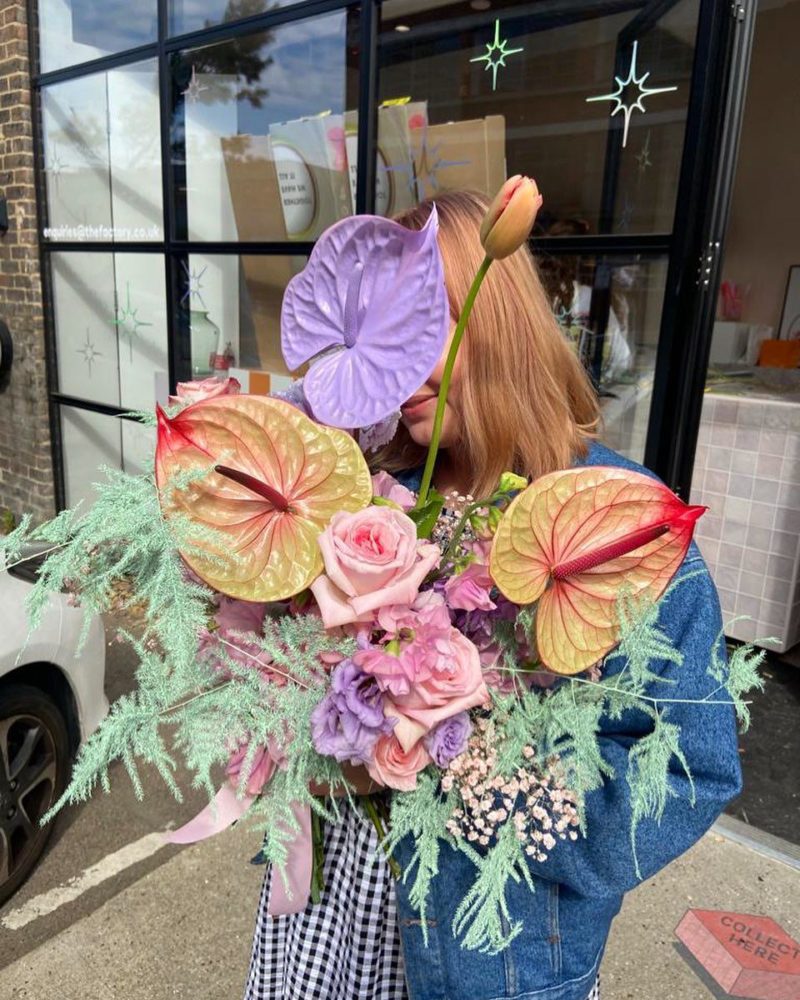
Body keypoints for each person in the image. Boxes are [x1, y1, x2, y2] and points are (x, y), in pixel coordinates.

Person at [243, 190, 742, 1000]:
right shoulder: (362, 491)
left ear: (496, 319)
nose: (397, 361)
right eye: (378, 331)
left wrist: (469, 784)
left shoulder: (610, 529)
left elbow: (691, 774)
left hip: (490, 948)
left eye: (422, 323)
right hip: (334, 914)